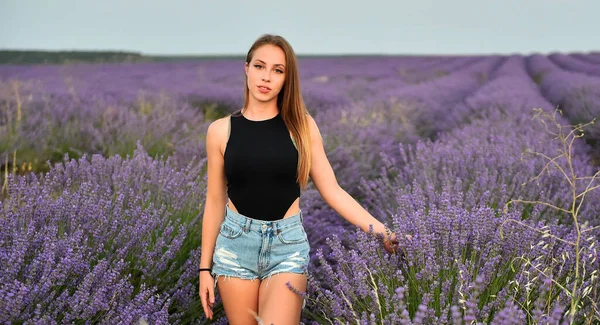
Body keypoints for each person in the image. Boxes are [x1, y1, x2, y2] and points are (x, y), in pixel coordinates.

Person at [198, 34, 411, 324]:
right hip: (235, 245)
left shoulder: (301, 126)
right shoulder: (220, 131)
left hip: (286, 246)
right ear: (246, 68)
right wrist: (204, 270)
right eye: (260, 66)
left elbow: (333, 191)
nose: (266, 77)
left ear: (287, 78)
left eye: (278, 70)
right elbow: (214, 200)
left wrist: (383, 232)